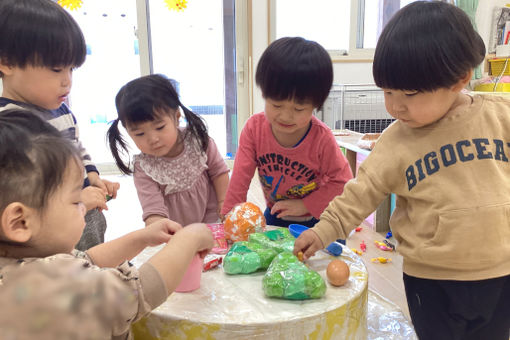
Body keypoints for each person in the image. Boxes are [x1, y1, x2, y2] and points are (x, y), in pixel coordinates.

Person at [293, 2, 510, 340]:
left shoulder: (499, 116)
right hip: (433, 280)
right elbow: (359, 194)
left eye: (409, 94)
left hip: (501, 273)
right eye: (387, 91)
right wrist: (322, 232)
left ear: (460, 79)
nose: (394, 105)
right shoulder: (396, 141)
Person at [0, 109, 214, 339]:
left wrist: (142, 237)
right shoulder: (55, 287)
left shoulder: (20, 263)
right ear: (20, 222)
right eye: (75, 200)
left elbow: (84, 260)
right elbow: (140, 291)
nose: (83, 207)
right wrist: (190, 237)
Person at [0, 0, 119, 251]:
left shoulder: (61, 110)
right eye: (56, 69)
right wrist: (79, 201)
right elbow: (23, 197)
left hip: (83, 219)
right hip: (48, 241)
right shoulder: (9, 126)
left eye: (71, 69)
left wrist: (92, 176)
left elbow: (77, 148)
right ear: (7, 62)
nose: (67, 81)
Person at [221, 37, 353, 228]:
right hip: (277, 214)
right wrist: (229, 216)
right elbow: (240, 177)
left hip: (321, 219)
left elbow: (343, 182)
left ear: (316, 105)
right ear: (264, 94)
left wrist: (305, 205)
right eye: (276, 105)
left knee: (326, 258)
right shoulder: (254, 129)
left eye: (299, 109)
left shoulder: (321, 138)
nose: (285, 116)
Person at [107, 74, 230, 227]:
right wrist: (158, 230)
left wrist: (223, 202)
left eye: (160, 127)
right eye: (139, 134)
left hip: (211, 220)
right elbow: (154, 211)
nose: (152, 139)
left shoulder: (199, 141)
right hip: (173, 231)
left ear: (177, 117)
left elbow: (219, 172)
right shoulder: (145, 167)